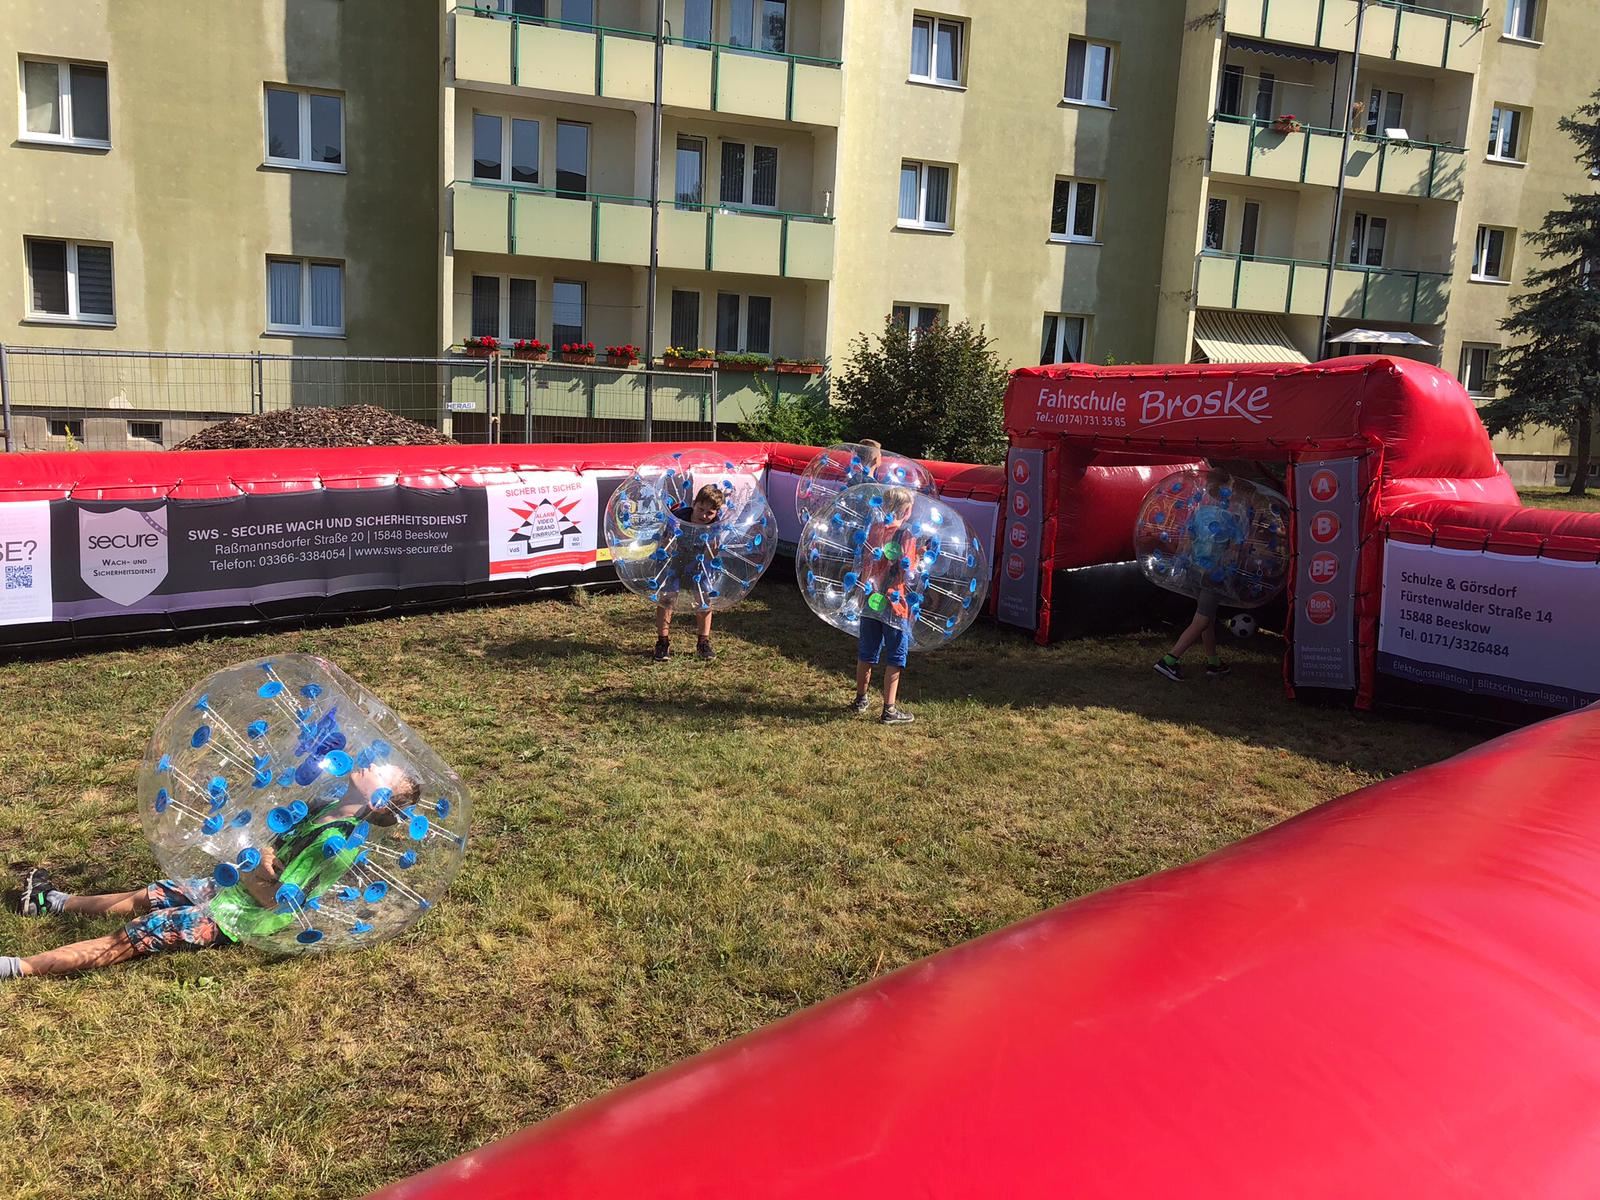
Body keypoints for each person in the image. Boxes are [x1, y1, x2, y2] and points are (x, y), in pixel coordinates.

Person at [2, 762, 419, 980]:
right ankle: (51, 903)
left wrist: (251, 869)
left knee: (137, 934)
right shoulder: (324, 806)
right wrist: (263, 852)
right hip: (236, 886)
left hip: (239, 916)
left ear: (379, 801)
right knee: (155, 892)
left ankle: (18, 967)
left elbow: (276, 901)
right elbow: (274, 847)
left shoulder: (337, 846)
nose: (374, 763)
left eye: (385, 772)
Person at [1155, 472, 1239, 682]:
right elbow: (1234, 552)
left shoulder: (1199, 512)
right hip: (1213, 575)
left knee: (1207, 617)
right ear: (1226, 491)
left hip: (1194, 570)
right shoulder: (1232, 519)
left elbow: (1186, 541)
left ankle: (1213, 662)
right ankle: (1169, 660)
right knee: (1202, 620)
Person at [850, 486, 919, 726]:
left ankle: (860, 699)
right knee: (895, 656)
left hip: (871, 600)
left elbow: (865, 563)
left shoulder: (875, 530)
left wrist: (860, 591)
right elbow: (909, 574)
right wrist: (919, 560)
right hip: (895, 604)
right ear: (907, 511)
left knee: (867, 652)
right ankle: (889, 709)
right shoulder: (906, 536)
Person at [653, 483, 727, 662]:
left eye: (710, 513)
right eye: (701, 509)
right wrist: (666, 544)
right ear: (694, 503)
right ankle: (662, 642)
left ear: (716, 513)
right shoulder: (679, 517)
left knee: (704, 599)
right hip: (676, 559)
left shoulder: (716, 525)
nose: (704, 515)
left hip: (700, 564)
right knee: (667, 598)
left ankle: (703, 642)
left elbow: (711, 555)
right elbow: (665, 542)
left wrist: (714, 548)